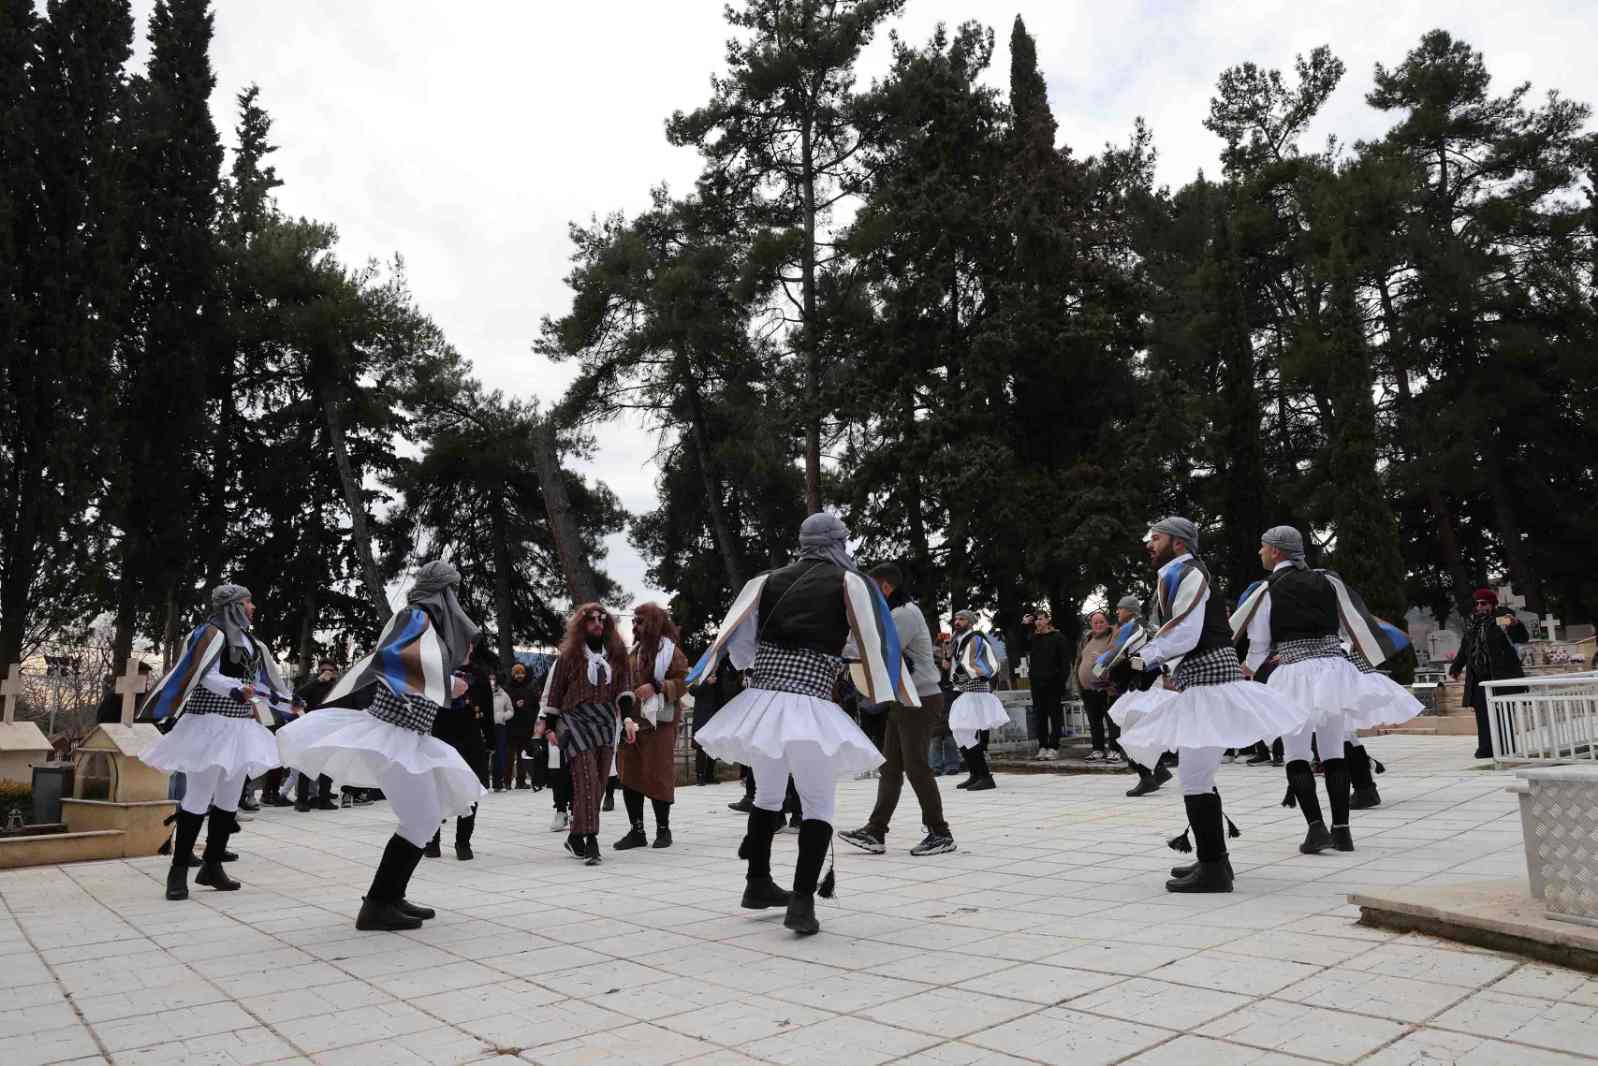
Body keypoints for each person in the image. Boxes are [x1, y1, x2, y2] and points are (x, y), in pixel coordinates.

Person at [690, 512, 914, 936]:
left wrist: (769, 664)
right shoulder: (850, 583)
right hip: (809, 705)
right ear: (837, 543)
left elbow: (741, 646)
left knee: (767, 795)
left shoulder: (764, 581)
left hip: (762, 703)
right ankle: (802, 902)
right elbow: (866, 642)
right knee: (817, 803)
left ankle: (757, 882)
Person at [276, 561, 486, 931]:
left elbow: (415, 663)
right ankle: (377, 905)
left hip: (409, 735)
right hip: (393, 734)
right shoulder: (415, 617)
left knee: (423, 818)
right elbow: (391, 660)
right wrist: (445, 682)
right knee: (422, 818)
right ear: (441, 592)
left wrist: (447, 677)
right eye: (451, 590)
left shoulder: (426, 623)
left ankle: (389, 897)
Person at [1117, 518, 1307, 894]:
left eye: (1156, 538)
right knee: (1197, 777)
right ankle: (1215, 860)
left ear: (1178, 543)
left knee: (1194, 779)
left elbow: (1185, 633)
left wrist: (1141, 659)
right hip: (1204, 684)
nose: (1149, 544)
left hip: (1210, 686)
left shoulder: (1188, 572)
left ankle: (1214, 869)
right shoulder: (1178, 573)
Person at [1232, 527, 1387, 855]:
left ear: (1276, 551)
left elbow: (1259, 643)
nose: (1259, 552)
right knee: (1334, 752)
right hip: (1333, 672)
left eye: (1263, 547)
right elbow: (1349, 626)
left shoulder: (1267, 589)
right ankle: (1342, 832)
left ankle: (1316, 829)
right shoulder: (1327, 581)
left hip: (1295, 675)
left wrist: (1247, 669)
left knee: (1297, 754)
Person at [141, 584, 292, 902]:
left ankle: (212, 865)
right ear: (234, 605)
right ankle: (178, 870)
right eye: (248, 602)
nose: (253, 607)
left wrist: (285, 702)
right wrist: (234, 688)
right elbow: (202, 673)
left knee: (229, 798)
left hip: (240, 727)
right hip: (208, 724)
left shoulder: (251, 642)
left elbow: (261, 681)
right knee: (198, 796)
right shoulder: (208, 634)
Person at [839, 563, 956, 858]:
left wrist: (850, 640)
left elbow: (877, 650)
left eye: (872, 589)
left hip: (920, 700)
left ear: (885, 587)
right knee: (890, 768)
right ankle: (875, 830)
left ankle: (940, 833)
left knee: (916, 767)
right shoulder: (894, 614)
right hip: (903, 700)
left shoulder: (904, 614)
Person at [534, 604, 634, 865]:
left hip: (606, 722)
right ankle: (591, 840)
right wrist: (549, 727)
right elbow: (555, 692)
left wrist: (628, 719)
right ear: (581, 625)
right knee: (586, 778)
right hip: (575, 720)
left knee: (598, 782)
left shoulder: (617, 654)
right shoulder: (569, 656)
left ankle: (576, 835)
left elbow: (624, 689)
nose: (597, 624)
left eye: (602, 619)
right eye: (591, 620)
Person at [614, 603, 690, 851]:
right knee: (629, 775)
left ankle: (663, 830)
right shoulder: (633, 652)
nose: (635, 626)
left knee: (658, 775)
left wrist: (657, 687)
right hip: (631, 723)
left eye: (640, 621)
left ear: (655, 623)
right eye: (634, 621)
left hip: (660, 724)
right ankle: (637, 831)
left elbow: (684, 681)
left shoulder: (672, 652)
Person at [1098, 595, 1173, 797]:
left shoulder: (1132, 627)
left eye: (1120, 608)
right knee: (1140, 731)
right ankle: (1159, 770)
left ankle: (1146, 778)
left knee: (1128, 734)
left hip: (1143, 688)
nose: (1117, 612)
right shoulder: (1151, 628)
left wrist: (1099, 667)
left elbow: (1117, 651)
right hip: (1152, 685)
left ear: (1130, 610)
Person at [424, 654, 490, 861]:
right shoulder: (438, 669)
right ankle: (432, 841)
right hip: (440, 735)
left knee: (471, 790)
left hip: (470, 738)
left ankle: (463, 842)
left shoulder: (479, 675)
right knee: (436, 790)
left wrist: (491, 741)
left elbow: (487, 708)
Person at [1449, 589, 1528, 759]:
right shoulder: (1473, 624)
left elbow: (1520, 637)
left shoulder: (1500, 618)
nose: (1479, 606)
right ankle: (1486, 748)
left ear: (1492, 605)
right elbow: (1465, 648)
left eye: (1483, 603)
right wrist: (1456, 668)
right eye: (1477, 603)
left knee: (1503, 712)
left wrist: (1515, 624)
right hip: (1478, 678)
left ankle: (1506, 747)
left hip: (1499, 675)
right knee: (1482, 714)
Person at [947, 610, 1005, 791]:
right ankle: (975, 774)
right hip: (964, 692)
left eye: (962, 619)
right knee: (959, 733)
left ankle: (985, 776)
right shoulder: (957, 640)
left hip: (975, 692)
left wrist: (959, 677)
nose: (957, 622)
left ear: (970, 622)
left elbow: (973, 665)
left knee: (965, 733)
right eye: (956, 619)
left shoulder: (975, 638)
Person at [288, 659, 341, 812]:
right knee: (307, 765)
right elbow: (297, 696)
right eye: (323, 670)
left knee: (328, 766)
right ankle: (301, 800)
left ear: (335, 673)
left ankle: (324, 799)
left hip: (331, 729)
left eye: (330, 670)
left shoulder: (337, 687)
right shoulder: (314, 685)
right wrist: (318, 680)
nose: (326, 673)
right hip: (313, 729)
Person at [1019, 609, 1071, 760]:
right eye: (1036, 620)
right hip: (1037, 683)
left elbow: (1065, 663)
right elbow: (1022, 645)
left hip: (1054, 683)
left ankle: (1054, 747)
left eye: (1041, 619)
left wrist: (1061, 681)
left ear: (1048, 620)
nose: (1038, 622)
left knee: (1055, 716)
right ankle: (1042, 746)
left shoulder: (1058, 637)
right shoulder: (1034, 637)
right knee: (1039, 716)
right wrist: (1024, 625)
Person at [1077, 610, 1121, 762]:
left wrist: (1103, 658)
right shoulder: (1088, 638)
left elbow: (1118, 657)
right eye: (1095, 622)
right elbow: (1080, 661)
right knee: (1094, 721)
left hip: (1106, 687)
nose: (1098, 625)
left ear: (1107, 623)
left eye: (1101, 622)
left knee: (1112, 721)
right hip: (1088, 689)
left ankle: (1115, 750)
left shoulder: (1113, 636)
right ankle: (1098, 749)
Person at [503, 661, 540, 789]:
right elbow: (503, 706)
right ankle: (507, 781)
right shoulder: (507, 688)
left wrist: (533, 719)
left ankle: (521, 781)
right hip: (511, 726)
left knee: (522, 754)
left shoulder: (530, 688)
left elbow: (535, 706)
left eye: (522, 673)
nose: (520, 676)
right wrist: (515, 704)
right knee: (509, 754)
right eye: (517, 673)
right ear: (513, 675)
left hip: (525, 726)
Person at [490, 671, 513, 790]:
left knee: (499, 754)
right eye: (490, 679)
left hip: (500, 726)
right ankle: (483, 782)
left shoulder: (504, 695)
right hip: (487, 726)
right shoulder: (484, 693)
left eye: (493, 679)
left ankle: (498, 782)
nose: (492, 681)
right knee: (485, 754)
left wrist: (503, 716)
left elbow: (510, 710)